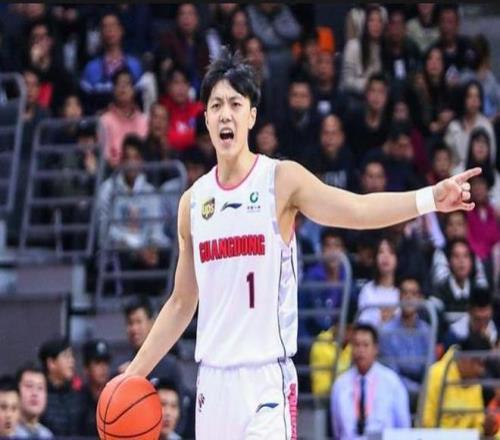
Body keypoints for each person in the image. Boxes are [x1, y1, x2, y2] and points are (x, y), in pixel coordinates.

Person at [124, 47, 481, 440]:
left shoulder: (280, 181)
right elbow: (181, 302)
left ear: (251, 116)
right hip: (212, 383)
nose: (225, 114)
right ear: (206, 118)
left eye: (235, 104)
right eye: (216, 105)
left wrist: (430, 198)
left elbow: (357, 210)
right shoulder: (192, 203)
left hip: (266, 381)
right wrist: (133, 374)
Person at [331, 323, 411, 438]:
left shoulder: (392, 382)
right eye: (356, 345)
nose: (360, 350)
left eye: (365, 345)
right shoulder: (340, 384)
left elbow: (404, 428)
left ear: (375, 349)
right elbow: (337, 430)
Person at [422, 332, 498, 436]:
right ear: (465, 359)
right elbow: (426, 422)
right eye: (479, 364)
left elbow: (477, 424)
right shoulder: (436, 374)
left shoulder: (474, 382)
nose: (481, 370)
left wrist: (486, 429)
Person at [379, 276, 432, 408]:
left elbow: (431, 369)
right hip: (396, 391)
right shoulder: (386, 332)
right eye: (405, 293)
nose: (409, 297)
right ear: (399, 297)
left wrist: (426, 389)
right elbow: (392, 375)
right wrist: (419, 391)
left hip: (424, 392)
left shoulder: (427, 331)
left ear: (420, 299)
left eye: (413, 293)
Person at [37, 338, 84, 436]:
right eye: (66, 356)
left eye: (72, 356)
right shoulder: (39, 397)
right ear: (51, 363)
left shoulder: (79, 395)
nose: (72, 361)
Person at [80, 339, 112, 436]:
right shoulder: (78, 400)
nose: (103, 367)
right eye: (98, 362)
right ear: (86, 368)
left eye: (106, 362)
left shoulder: (115, 397)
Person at [14, 363, 53, 438]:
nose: (35, 393)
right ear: (17, 392)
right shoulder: (7, 434)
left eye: (40, 388)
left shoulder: (47, 435)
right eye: (29, 386)